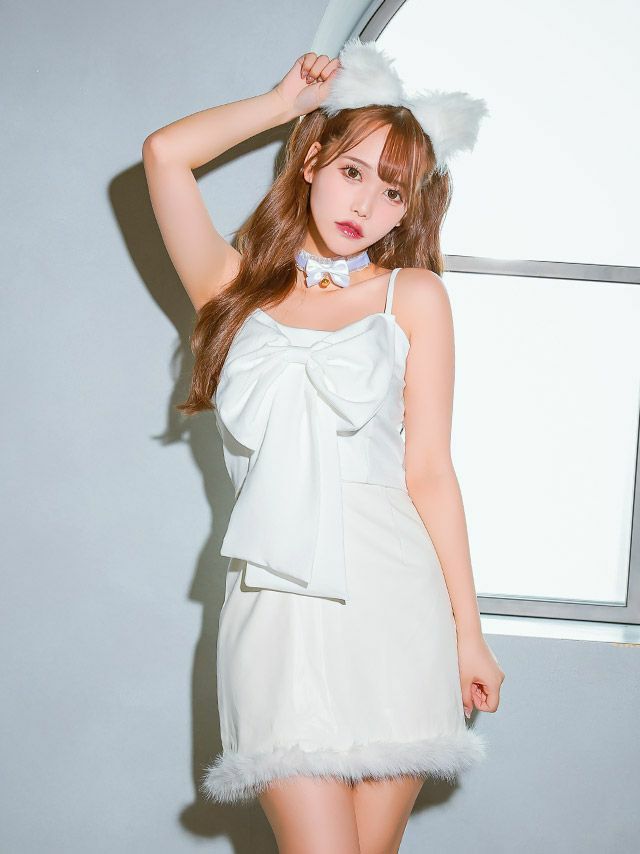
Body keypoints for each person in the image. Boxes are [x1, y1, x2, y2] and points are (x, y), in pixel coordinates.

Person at [143, 36, 505, 854]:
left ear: (408, 211)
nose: (364, 203)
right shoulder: (232, 291)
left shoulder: (414, 296)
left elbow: (429, 473)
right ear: (311, 162)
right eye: (351, 171)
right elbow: (164, 155)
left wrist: (468, 633)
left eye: (392, 190)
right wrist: (283, 106)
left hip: (394, 603)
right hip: (276, 610)